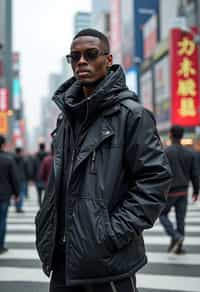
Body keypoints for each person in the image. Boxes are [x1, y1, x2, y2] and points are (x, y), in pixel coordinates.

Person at [35, 29, 172, 292]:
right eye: (74, 57)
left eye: (91, 54)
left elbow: (155, 182)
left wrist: (110, 234)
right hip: (64, 258)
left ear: (108, 60)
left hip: (108, 263)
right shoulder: (67, 117)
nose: (81, 62)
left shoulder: (132, 115)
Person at [160, 125, 199, 254]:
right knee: (180, 219)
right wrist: (196, 191)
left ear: (170, 134)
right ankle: (179, 245)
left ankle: (175, 236)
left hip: (170, 190)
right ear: (182, 135)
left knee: (162, 215)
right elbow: (195, 174)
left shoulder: (165, 152)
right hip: (184, 190)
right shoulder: (190, 153)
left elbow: (160, 173)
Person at [0, 135, 19, 254]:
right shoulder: (8, 160)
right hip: (4, 195)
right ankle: (0, 246)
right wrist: (17, 194)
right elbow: (14, 179)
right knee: (2, 220)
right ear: (3, 144)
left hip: (4, 195)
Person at [14, 147, 29, 212]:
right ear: (20, 152)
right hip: (22, 178)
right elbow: (27, 170)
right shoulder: (24, 160)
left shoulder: (12, 159)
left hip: (14, 177)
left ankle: (16, 206)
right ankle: (19, 207)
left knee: (15, 193)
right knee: (21, 193)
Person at [33, 142, 48, 207]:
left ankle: (40, 204)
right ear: (44, 147)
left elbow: (32, 167)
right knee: (47, 194)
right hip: (47, 178)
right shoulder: (48, 156)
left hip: (37, 177)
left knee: (39, 193)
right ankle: (45, 205)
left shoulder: (35, 156)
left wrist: (32, 177)